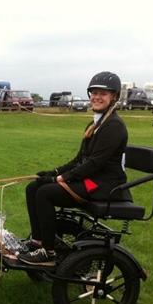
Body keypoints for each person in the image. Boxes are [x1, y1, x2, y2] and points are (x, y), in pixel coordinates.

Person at [17, 71, 130, 266]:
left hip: (104, 184)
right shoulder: (96, 123)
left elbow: (94, 163)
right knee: (33, 187)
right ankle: (38, 241)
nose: (97, 97)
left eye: (103, 94)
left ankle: (49, 252)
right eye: (94, 93)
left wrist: (59, 179)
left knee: (45, 193)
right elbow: (80, 159)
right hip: (93, 178)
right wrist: (53, 172)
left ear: (114, 97)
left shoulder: (114, 126)